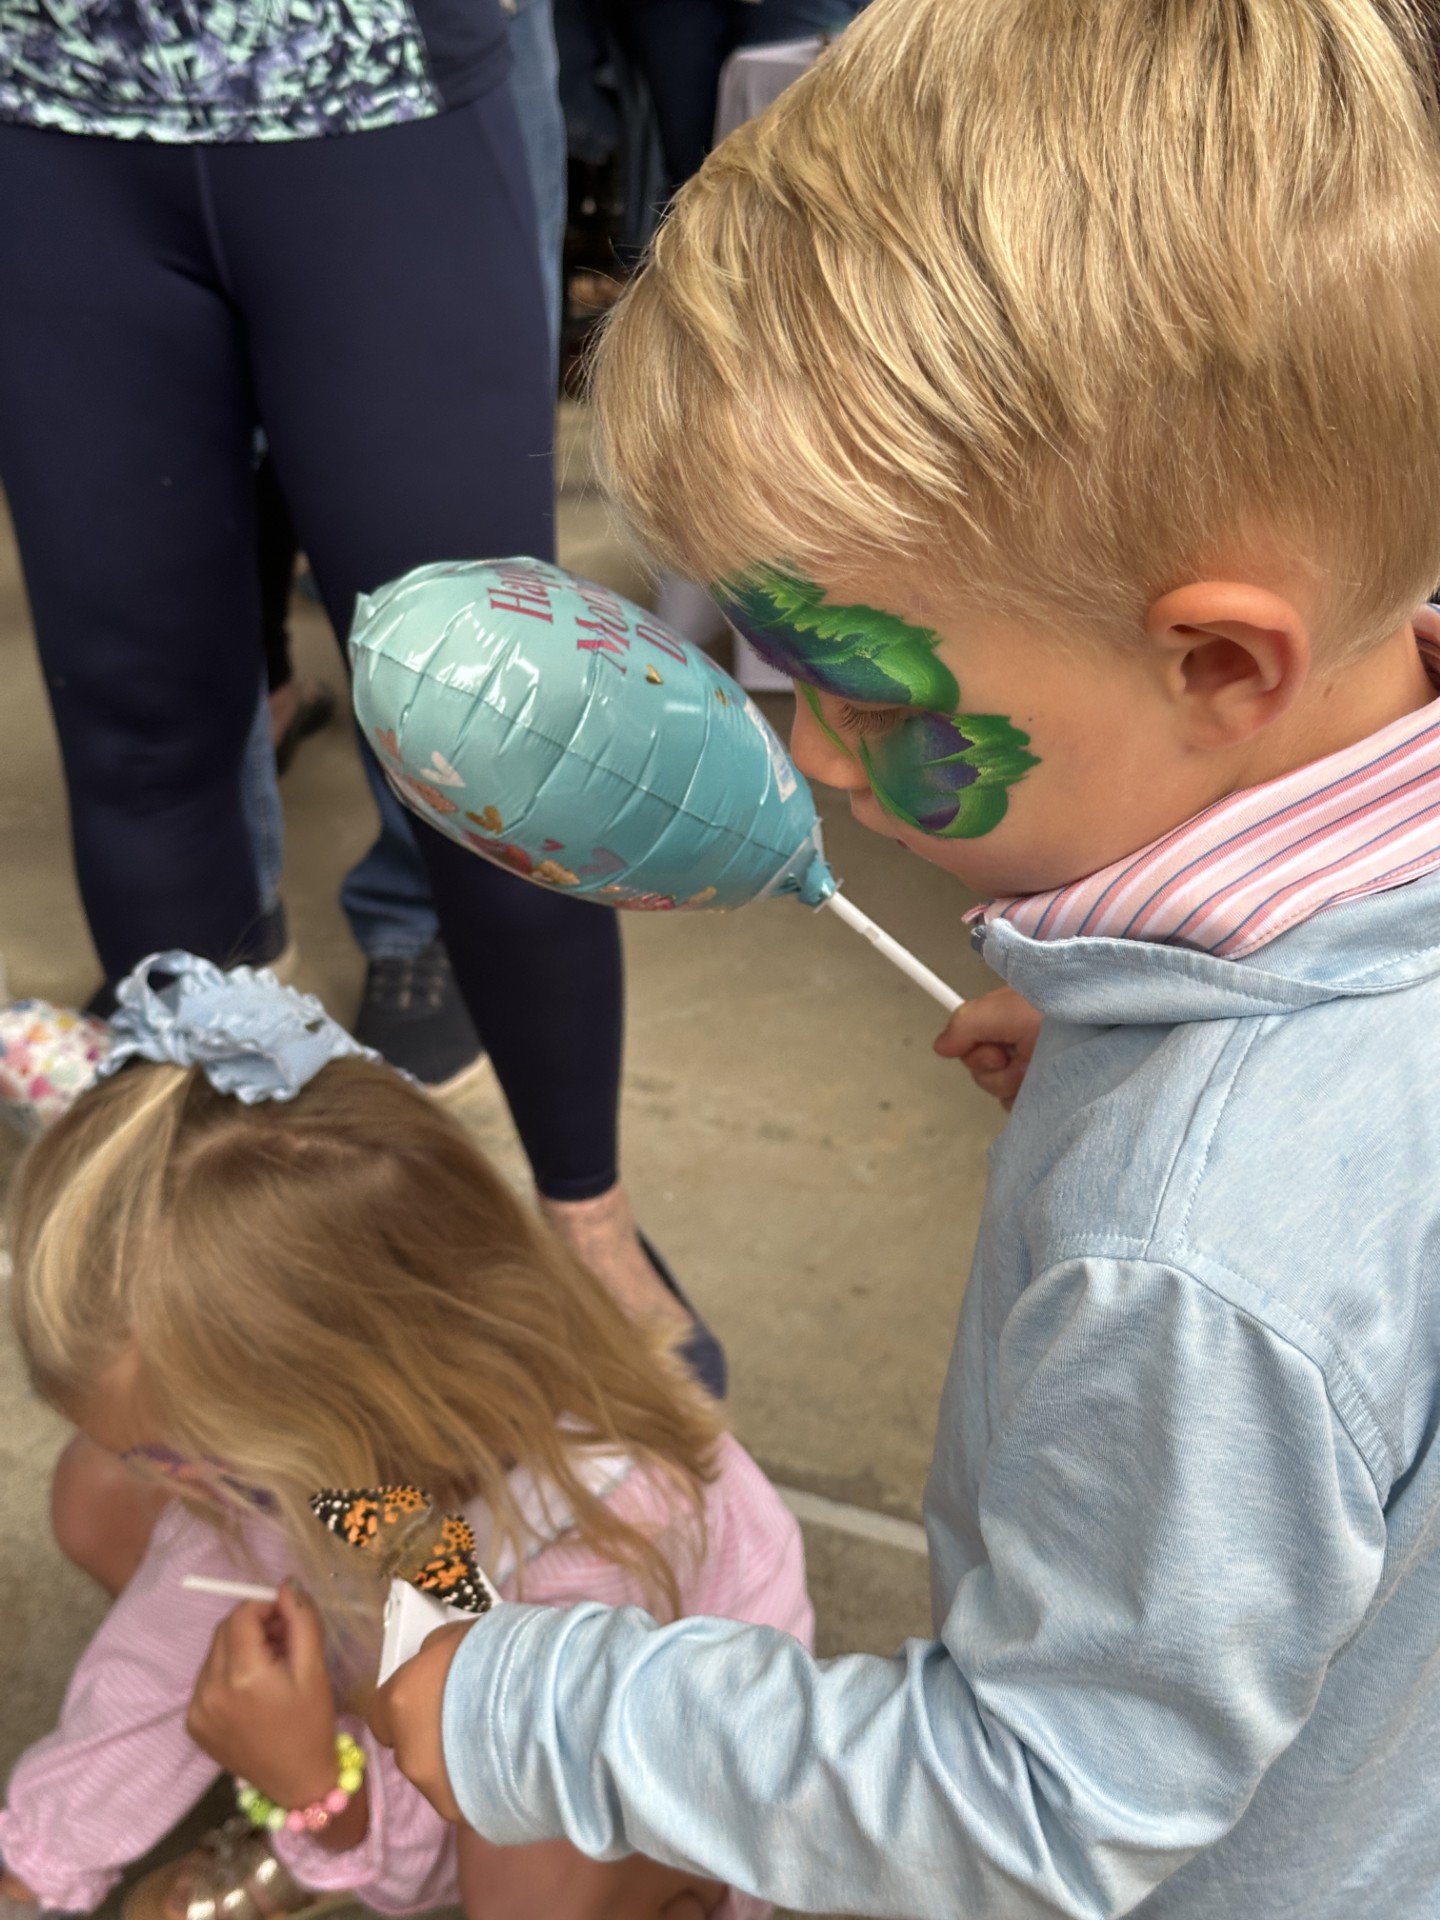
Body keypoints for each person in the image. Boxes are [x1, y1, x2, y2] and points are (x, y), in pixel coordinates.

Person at [364, 1, 1440, 1914]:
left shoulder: (1192, 1257)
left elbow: (1039, 1801)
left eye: (862, 689)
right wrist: (1128, 1031)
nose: (813, 756)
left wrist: (534, 1707)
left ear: (1218, 664)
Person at [0, 0, 706, 1362]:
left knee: (490, 723)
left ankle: (588, 1217)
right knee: (142, 726)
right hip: (53, 105)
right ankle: (217, 1216)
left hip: (379, 99)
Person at [0, 957, 810, 1920]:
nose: (173, 1484)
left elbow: (464, 1812)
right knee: (98, 1496)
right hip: (436, 1635)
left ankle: (320, 1802)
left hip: (621, 1783)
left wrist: (317, 1792)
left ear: (349, 1396)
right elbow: (170, 1625)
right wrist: (37, 1863)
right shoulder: (361, 1440)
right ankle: (306, 1765)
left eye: (187, 1457)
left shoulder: (596, 1535)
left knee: (524, 1881)